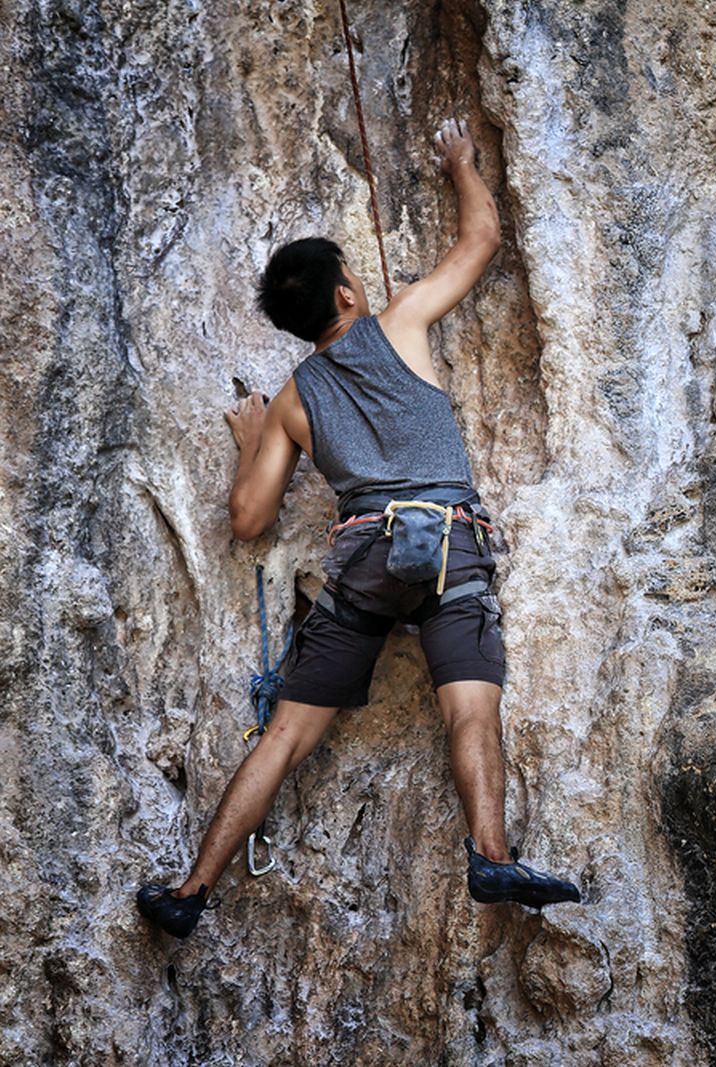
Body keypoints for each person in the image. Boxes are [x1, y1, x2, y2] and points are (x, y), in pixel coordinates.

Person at [136, 118, 580, 939]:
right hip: (447, 542)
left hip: (366, 557)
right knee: (471, 710)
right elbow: (482, 239)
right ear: (346, 293)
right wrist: (460, 163)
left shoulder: (292, 399)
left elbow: (248, 519)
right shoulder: (401, 321)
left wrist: (255, 442)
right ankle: (490, 854)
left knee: (286, 735)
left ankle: (190, 889)